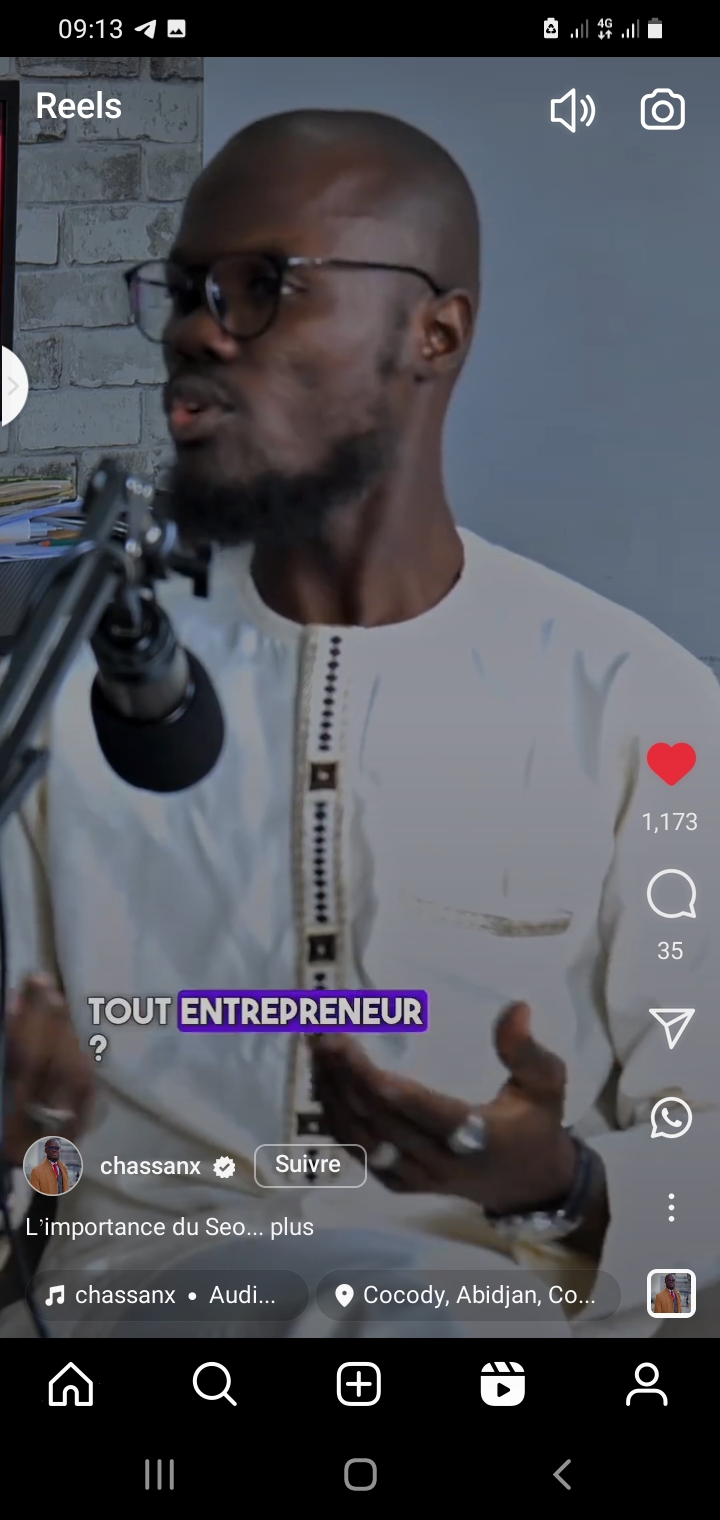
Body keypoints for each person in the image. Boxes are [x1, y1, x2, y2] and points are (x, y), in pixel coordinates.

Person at [1, 109, 719, 1339]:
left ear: (436, 332)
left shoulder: (639, 707)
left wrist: (561, 1183)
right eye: (183, 290)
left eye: (259, 286)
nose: (194, 331)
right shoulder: (66, 688)